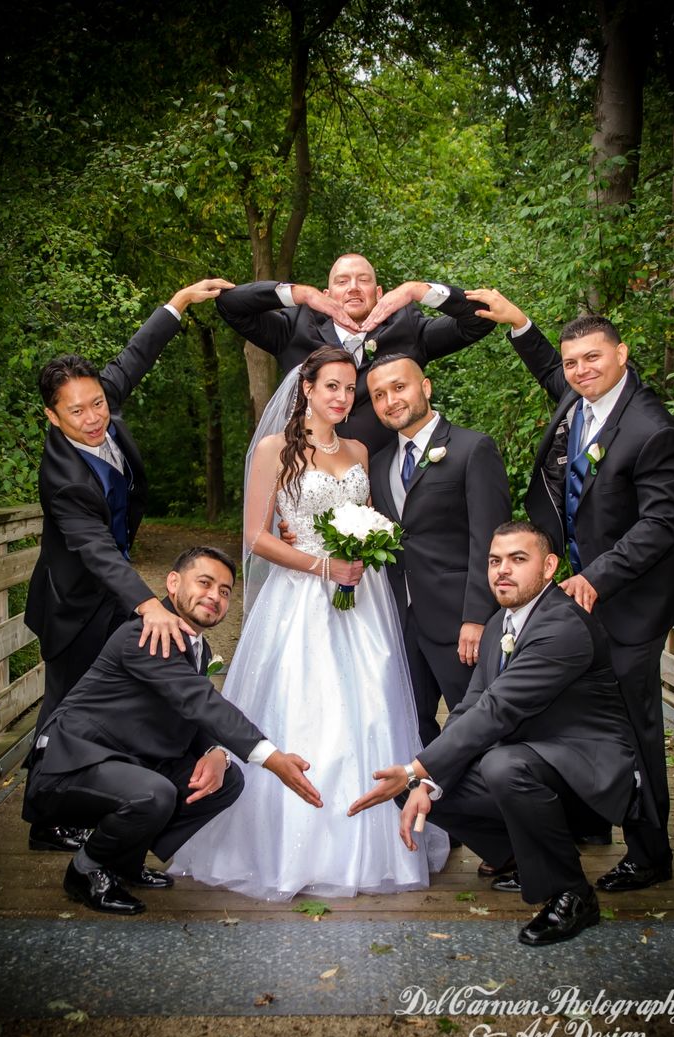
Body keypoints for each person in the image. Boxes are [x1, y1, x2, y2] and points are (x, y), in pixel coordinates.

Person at [169, 346, 449, 899]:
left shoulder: (360, 449)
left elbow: (366, 518)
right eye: (332, 388)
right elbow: (255, 535)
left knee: (369, 706)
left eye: (350, 389)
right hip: (299, 596)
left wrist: (366, 553)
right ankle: (286, 842)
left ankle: (368, 844)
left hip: (360, 595)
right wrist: (323, 565)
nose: (343, 399)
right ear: (307, 388)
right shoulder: (275, 449)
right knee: (303, 704)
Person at [466, 290, 674, 892]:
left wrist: (595, 577)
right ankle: (590, 819)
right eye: (573, 362)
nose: (580, 370)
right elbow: (547, 366)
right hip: (575, 593)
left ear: (621, 354)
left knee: (634, 728)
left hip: (630, 602)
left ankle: (651, 853)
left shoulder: (652, 429)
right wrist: (520, 323)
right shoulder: (577, 396)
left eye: (593, 358)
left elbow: (661, 526)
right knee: (574, 710)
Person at [348, 522, 637, 946]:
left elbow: (498, 710)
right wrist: (424, 777)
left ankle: (572, 894)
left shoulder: (563, 627)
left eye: (519, 560)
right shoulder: (501, 620)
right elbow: (471, 704)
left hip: (587, 769)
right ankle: (519, 857)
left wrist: (417, 768)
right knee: (417, 784)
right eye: (495, 561)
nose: (503, 570)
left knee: (498, 765)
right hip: (534, 754)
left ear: (549, 566)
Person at [24, 279, 232, 853]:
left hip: (111, 590)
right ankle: (44, 815)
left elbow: (133, 357)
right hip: (71, 600)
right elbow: (92, 548)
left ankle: (117, 789)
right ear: (52, 417)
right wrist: (148, 604)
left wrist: (179, 304)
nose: (93, 418)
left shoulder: (102, 402)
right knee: (65, 706)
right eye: (77, 412)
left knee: (117, 694)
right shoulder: (61, 479)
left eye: (98, 404)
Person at [22, 547, 322, 916]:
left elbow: (191, 713)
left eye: (225, 591)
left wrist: (216, 752)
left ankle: (124, 861)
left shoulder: (197, 644)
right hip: (69, 765)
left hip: (126, 763)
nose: (215, 596)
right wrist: (272, 758)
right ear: (173, 582)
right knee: (154, 794)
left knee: (226, 781)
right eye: (205, 582)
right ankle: (87, 868)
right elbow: (200, 701)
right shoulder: (145, 634)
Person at [366, 354, 511, 752]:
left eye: (399, 387)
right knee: (412, 730)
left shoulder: (472, 448)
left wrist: (478, 617)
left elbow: (492, 542)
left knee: (479, 727)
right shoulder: (379, 465)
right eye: (378, 395)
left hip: (459, 623)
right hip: (399, 621)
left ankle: (489, 811)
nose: (390, 400)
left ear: (425, 387)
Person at [215, 254, 495, 453]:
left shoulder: (407, 329)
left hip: (386, 485)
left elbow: (481, 319)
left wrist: (417, 291)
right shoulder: (294, 328)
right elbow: (229, 305)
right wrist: (301, 294)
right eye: (342, 281)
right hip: (308, 474)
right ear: (327, 292)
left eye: (363, 280)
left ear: (379, 292)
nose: (353, 287)